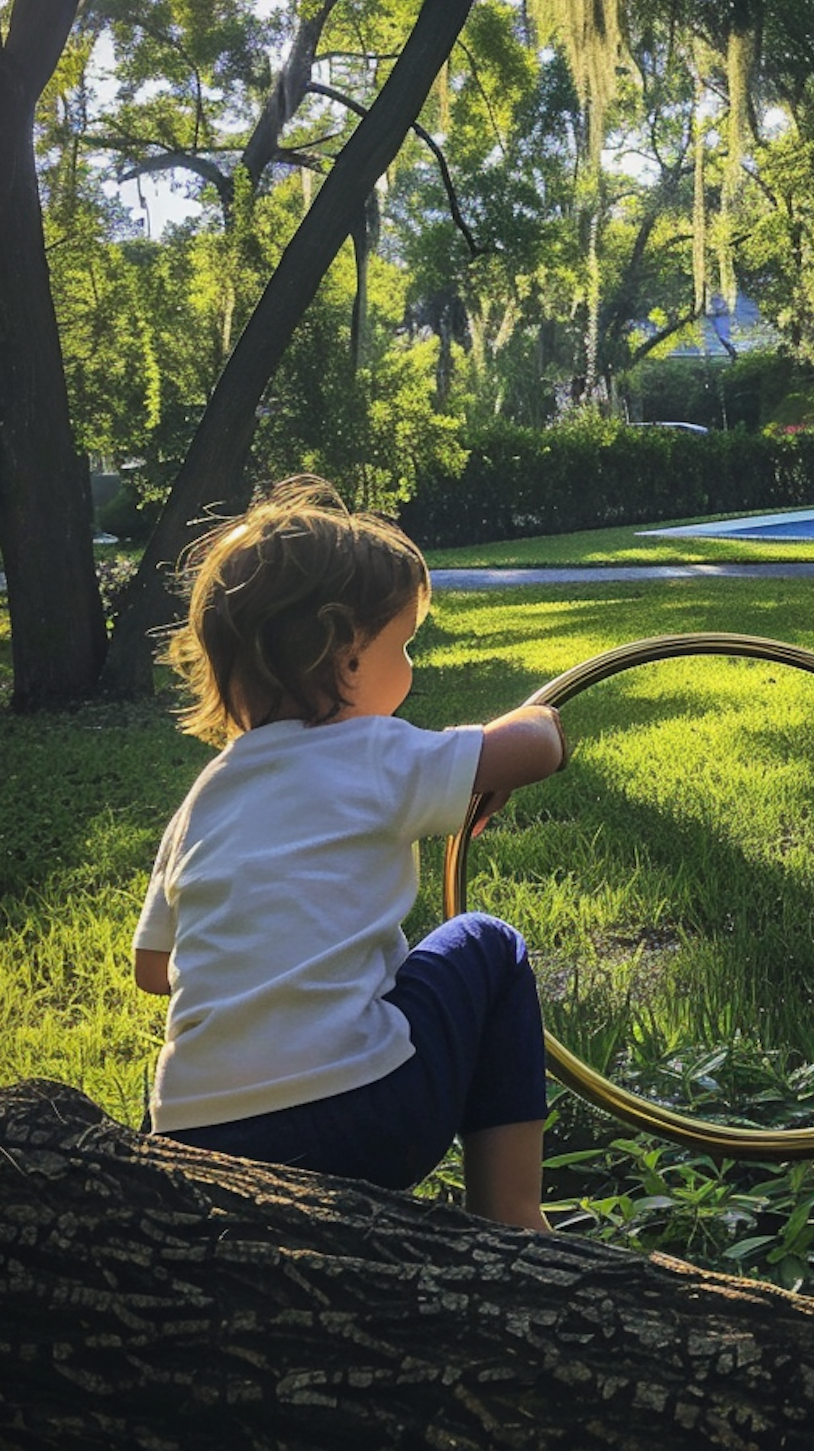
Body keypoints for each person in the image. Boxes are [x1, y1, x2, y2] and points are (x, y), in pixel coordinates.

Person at [132, 476, 566, 1233]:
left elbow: (152, 971)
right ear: (346, 659)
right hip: (362, 1118)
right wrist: (544, 716)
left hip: (192, 1142)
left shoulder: (204, 797)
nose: (412, 665)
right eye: (402, 644)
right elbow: (535, 745)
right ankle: (512, 1216)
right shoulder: (372, 750)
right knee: (489, 945)